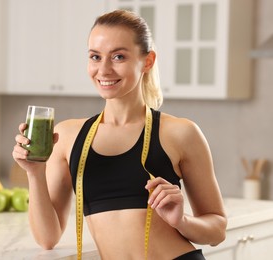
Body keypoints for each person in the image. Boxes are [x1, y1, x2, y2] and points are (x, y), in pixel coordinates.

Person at [13, 9, 227, 260]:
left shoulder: (180, 133)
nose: (103, 70)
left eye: (118, 57)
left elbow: (217, 229)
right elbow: (47, 238)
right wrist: (34, 173)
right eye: (95, 56)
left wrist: (181, 221)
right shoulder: (67, 136)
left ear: (147, 61)